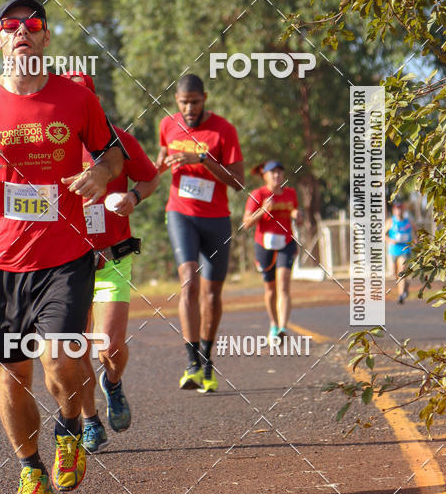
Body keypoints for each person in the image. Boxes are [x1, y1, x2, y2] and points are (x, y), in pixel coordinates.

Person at [0, 0, 124, 494]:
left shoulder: (76, 99)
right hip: (2, 263)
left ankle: (69, 431)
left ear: (46, 39)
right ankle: (30, 471)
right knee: (12, 374)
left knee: (63, 362)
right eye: (10, 25)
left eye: (33, 24)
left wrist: (102, 172)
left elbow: (113, 151)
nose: (22, 30)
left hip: (65, 257)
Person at [63, 72, 160, 452]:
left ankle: (113, 383)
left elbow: (150, 179)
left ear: (95, 105)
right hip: (68, 264)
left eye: (86, 101)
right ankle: (90, 420)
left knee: (111, 347)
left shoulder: (118, 140)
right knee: (76, 348)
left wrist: (133, 198)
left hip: (113, 260)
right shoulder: (52, 146)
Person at [156, 74, 244, 392]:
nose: (189, 108)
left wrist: (203, 159)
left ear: (204, 98)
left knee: (211, 294)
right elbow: (160, 162)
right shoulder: (168, 126)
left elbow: (238, 181)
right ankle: (191, 363)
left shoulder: (224, 130)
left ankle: (207, 361)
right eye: (183, 102)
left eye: (195, 101)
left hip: (217, 218)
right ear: (176, 102)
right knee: (189, 281)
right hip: (180, 213)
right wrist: (158, 167)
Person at [242, 160, 303, 344]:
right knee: (270, 290)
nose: (277, 175)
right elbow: (246, 223)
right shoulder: (258, 194)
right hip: (264, 245)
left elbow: (296, 214)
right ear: (265, 176)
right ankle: (274, 324)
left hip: (286, 243)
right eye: (272, 172)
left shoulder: (290, 193)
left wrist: (297, 216)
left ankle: (283, 328)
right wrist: (262, 210)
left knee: (283, 285)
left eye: (279, 172)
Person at [386, 197, 413, 304]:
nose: (398, 210)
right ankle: (406, 287)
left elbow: (416, 232)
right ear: (394, 210)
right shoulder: (390, 221)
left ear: (403, 209)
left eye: (400, 208)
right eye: (396, 208)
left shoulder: (408, 221)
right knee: (395, 274)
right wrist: (390, 240)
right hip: (393, 251)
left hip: (405, 250)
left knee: (401, 271)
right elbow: (382, 234)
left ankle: (401, 295)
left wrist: (416, 240)